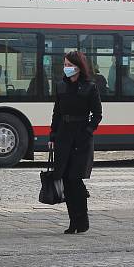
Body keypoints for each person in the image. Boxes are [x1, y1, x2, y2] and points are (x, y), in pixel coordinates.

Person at [48, 51, 102, 234]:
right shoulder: (61, 86)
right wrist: (52, 136)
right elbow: (56, 113)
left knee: (75, 179)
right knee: (65, 179)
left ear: (78, 67)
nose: (66, 68)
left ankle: (83, 219)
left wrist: (88, 131)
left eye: (69, 65)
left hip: (81, 138)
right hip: (64, 136)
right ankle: (73, 222)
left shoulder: (90, 87)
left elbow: (97, 114)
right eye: (64, 65)